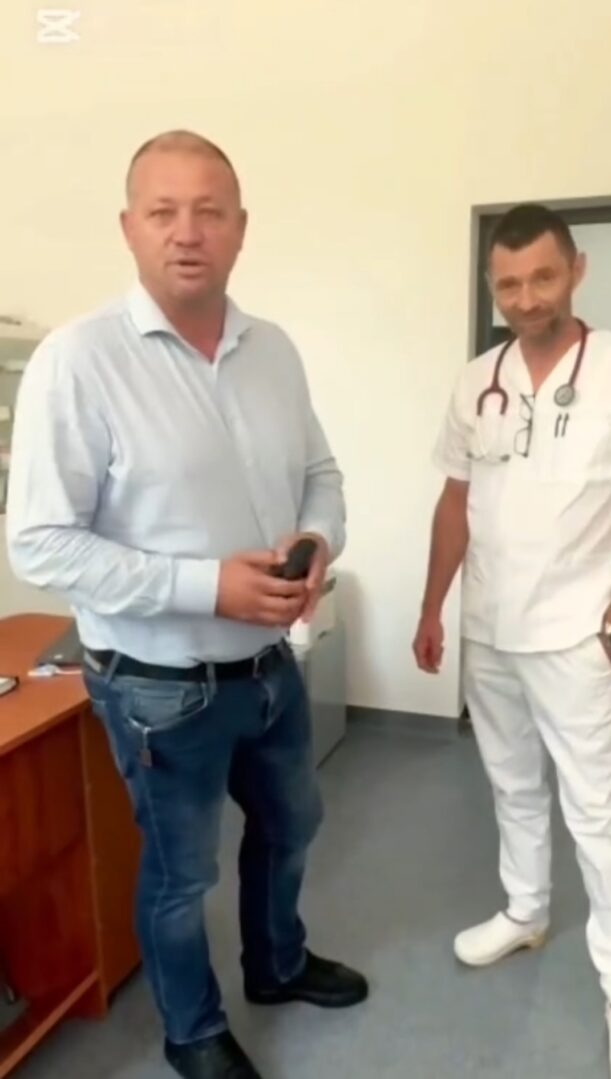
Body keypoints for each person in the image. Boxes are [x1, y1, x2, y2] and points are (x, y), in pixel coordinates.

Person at [6, 130, 367, 1079]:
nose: (187, 231)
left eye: (209, 211)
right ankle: (192, 1030)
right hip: (159, 687)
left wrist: (318, 540)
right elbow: (38, 540)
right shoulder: (77, 361)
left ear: (241, 228)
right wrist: (208, 584)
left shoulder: (272, 349)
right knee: (181, 875)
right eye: (162, 211)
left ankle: (277, 965)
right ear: (129, 228)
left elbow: (322, 474)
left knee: (292, 825)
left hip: (271, 667)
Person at [413, 203, 611, 1079]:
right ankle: (525, 910)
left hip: (576, 636)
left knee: (596, 813)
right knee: (511, 783)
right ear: (492, 286)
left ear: (575, 269)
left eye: (541, 276)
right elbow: (455, 502)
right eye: (508, 283)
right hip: (490, 627)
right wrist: (433, 608)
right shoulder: (477, 379)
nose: (526, 297)